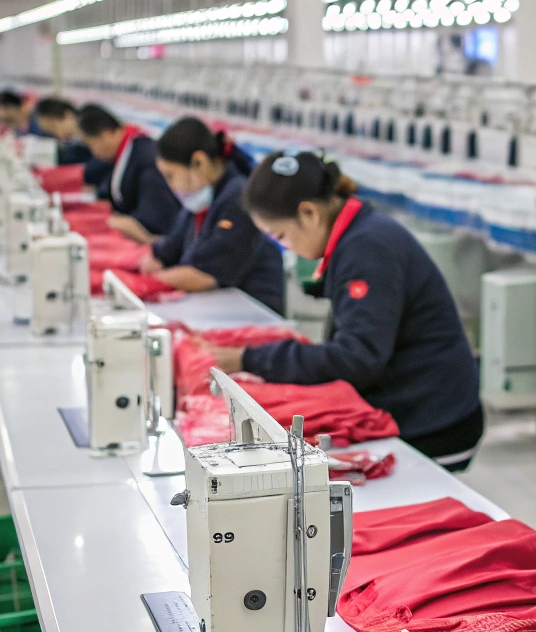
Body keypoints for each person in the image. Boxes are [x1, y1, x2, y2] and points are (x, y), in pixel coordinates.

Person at [211, 150, 484, 471]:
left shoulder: (366, 250)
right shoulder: (356, 232)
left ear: (309, 213)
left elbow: (358, 358)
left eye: (280, 237)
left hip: (435, 421)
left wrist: (251, 359)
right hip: (413, 399)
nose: (284, 248)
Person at [138, 117, 285, 314]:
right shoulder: (201, 201)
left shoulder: (239, 198)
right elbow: (168, 249)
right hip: (216, 308)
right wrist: (157, 259)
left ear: (198, 162)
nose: (170, 185)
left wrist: (145, 282)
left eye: (171, 175)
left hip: (250, 314)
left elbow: (205, 276)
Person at [77, 104, 182, 243]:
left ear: (106, 134)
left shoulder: (146, 159)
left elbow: (155, 220)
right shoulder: (127, 152)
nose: (93, 152)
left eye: (92, 145)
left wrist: (124, 222)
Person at [33, 97, 103, 169]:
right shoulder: (74, 145)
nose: (57, 134)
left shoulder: (92, 123)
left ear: (68, 115)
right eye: (51, 132)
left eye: (54, 127)